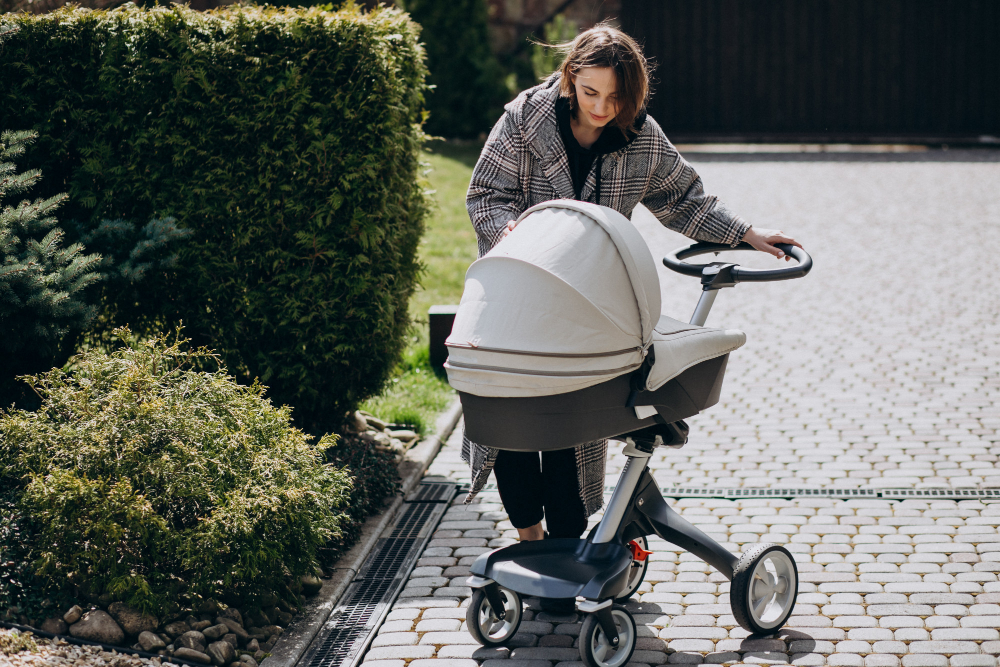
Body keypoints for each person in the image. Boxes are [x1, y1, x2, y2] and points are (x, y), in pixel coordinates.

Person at [460, 24, 801, 599]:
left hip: (582, 311)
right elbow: (484, 196)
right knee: (511, 429)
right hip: (517, 300)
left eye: (615, 98)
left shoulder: (640, 139)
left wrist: (745, 233)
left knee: (569, 429)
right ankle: (529, 545)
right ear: (570, 77)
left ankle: (570, 552)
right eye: (590, 93)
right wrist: (515, 239)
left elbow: (684, 199)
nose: (600, 108)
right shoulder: (524, 120)